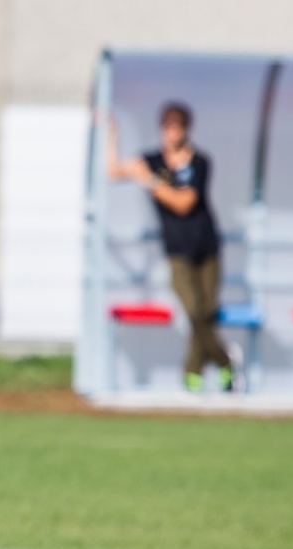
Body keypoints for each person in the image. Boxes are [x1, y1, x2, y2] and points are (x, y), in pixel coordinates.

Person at [108, 102, 232, 392]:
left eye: (177, 126)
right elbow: (113, 171)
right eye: (167, 125)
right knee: (193, 310)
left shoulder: (199, 162)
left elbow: (183, 202)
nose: (171, 132)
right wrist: (110, 133)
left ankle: (193, 374)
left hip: (207, 247)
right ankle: (225, 363)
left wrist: (149, 182)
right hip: (177, 250)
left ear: (186, 130)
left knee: (206, 312)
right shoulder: (153, 160)